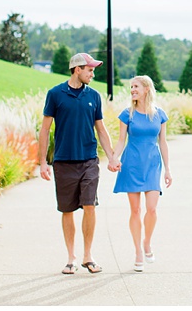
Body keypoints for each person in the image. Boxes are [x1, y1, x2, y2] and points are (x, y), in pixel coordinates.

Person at [38, 52, 118, 275]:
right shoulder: (55, 94)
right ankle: (71, 258)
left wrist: (111, 156)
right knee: (67, 210)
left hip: (89, 161)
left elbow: (101, 129)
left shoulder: (94, 96)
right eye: (90, 70)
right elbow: (44, 130)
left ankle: (87, 256)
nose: (93, 74)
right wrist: (43, 162)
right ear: (77, 69)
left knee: (90, 205)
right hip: (63, 162)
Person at [109, 75, 172, 272]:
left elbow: (163, 142)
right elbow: (120, 140)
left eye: (136, 86)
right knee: (135, 210)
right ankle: (137, 251)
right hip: (132, 164)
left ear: (146, 88)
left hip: (153, 164)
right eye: (131, 87)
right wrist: (114, 157)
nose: (132, 90)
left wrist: (168, 169)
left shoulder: (159, 114)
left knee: (152, 209)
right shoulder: (127, 114)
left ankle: (147, 242)